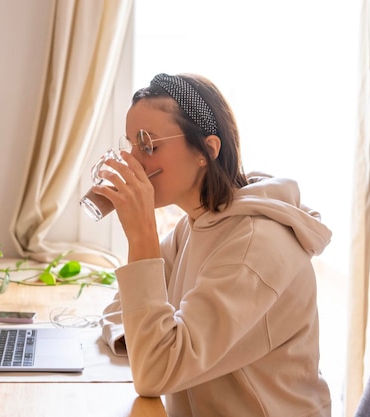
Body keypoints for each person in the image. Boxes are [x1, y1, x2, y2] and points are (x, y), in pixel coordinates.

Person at [94, 73, 333, 417]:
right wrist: (147, 341)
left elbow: (154, 373)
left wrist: (142, 233)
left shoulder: (253, 249)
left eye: (148, 146)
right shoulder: (193, 227)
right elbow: (122, 308)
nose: (133, 161)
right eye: (131, 145)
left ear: (207, 149)